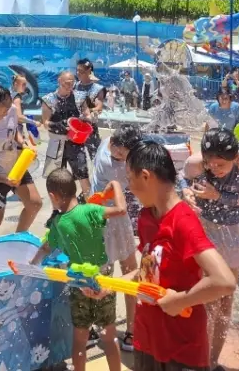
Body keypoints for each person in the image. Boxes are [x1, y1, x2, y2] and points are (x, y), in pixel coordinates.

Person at [125, 141, 236, 371]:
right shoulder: (147, 217)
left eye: (129, 178)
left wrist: (182, 301)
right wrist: (105, 286)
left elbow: (224, 281)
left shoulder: (183, 221)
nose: (129, 187)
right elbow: (148, 271)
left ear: (145, 176)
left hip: (180, 348)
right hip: (146, 338)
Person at [31, 170, 127, 371]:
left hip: (79, 284)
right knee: (109, 336)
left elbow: (46, 247)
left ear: (52, 196)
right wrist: (115, 185)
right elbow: (120, 209)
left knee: (80, 339)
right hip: (103, 279)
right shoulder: (91, 210)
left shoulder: (58, 223)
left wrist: (32, 265)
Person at [183, 129, 239, 371]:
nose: (213, 168)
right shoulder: (195, 163)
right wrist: (185, 192)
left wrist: (219, 195)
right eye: (209, 163)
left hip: (231, 231)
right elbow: (181, 181)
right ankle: (198, 358)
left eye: (220, 164)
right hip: (203, 229)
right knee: (206, 299)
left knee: (225, 296)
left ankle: (212, 361)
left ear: (235, 158)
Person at [90, 125, 144, 351]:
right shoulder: (110, 153)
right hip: (102, 218)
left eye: (123, 153)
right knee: (101, 273)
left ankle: (131, 329)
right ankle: (103, 325)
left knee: (125, 271)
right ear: (112, 141)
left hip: (112, 219)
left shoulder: (120, 157)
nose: (117, 153)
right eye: (116, 148)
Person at [0, 84, 42, 239]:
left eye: (10, 102)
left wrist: (23, 144)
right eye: (4, 104)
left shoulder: (10, 111)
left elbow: (14, 130)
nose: (9, 106)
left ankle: (19, 237)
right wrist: (2, 179)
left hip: (16, 166)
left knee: (35, 204)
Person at [41, 71, 92, 197]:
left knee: (83, 175)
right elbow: (45, 123)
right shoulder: (49, 99)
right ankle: (58, 209)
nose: (69, 86)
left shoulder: (80, 97)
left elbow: (88, 115)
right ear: (59, 81)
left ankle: (90, 204)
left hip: (75, 142)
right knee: (55, 178)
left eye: (72, 83)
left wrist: (86, 119)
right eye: (66, 84)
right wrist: (55, 125)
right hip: (56, 142)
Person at [74, 58, 106, 161]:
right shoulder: (74, 86)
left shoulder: (97, 88)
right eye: (77, 70)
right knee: (77, 159)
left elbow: (99, 107)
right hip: (74, 127)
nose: (78, 73)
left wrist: (86, 112)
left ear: (89, 71)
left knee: (95, 158)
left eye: (81, 71)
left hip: (90, 128)